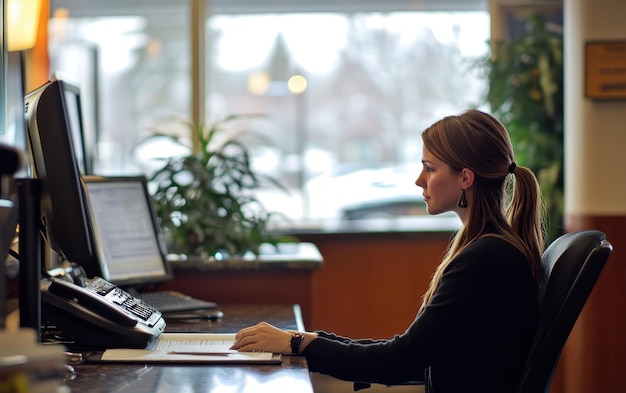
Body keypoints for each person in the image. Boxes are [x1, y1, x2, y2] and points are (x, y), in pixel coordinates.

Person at [230, 109, 546, 393]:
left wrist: (298, 343)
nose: (419, 180)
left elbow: (399, 360)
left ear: (465, 177)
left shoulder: (485, 258)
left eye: (430, 168)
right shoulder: (490, 247)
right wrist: (303, 340)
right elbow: (407, 353)